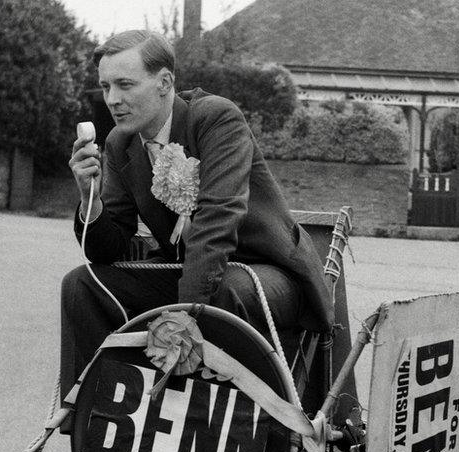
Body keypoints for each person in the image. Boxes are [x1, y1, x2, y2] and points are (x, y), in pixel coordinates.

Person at [63, 30, 333, 396]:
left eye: (125, 85)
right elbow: (107, 250)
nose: (113, 100)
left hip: (265, 271)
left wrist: (182, 314)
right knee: (82, 284)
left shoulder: (216, 118)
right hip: (190, 270)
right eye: (106, 86)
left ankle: (231, 434)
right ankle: (95, 429)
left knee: (224, 291)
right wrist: (88, 198)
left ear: (165, 82)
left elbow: (217, 220)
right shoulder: (120, 142)